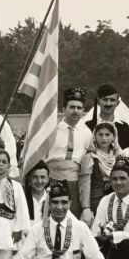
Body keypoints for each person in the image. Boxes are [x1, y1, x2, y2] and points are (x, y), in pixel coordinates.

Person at [44, 87, 93, 217]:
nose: (76, 111)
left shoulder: (87, 133)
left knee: (71, 221)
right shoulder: (51, 130)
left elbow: (86, 167)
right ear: (63, 109)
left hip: (74, 184)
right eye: (72, 107)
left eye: (79, 108)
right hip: (50, 181)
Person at [79, 121, 119, 227]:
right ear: (95, 136)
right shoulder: (90, 157)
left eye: (107, 135)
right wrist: (86, 208)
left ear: (113, 137)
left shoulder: (118, 156)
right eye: (100, 134)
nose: (104, 138)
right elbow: (85, 184)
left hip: (116, 200)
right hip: (96, 201)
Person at [83, 83, 129, 149]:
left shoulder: (125, 127)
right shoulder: (87, 126)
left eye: (112, 100)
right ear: (98, 102)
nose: (108, 103)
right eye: (105, 100)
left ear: (118, 103)